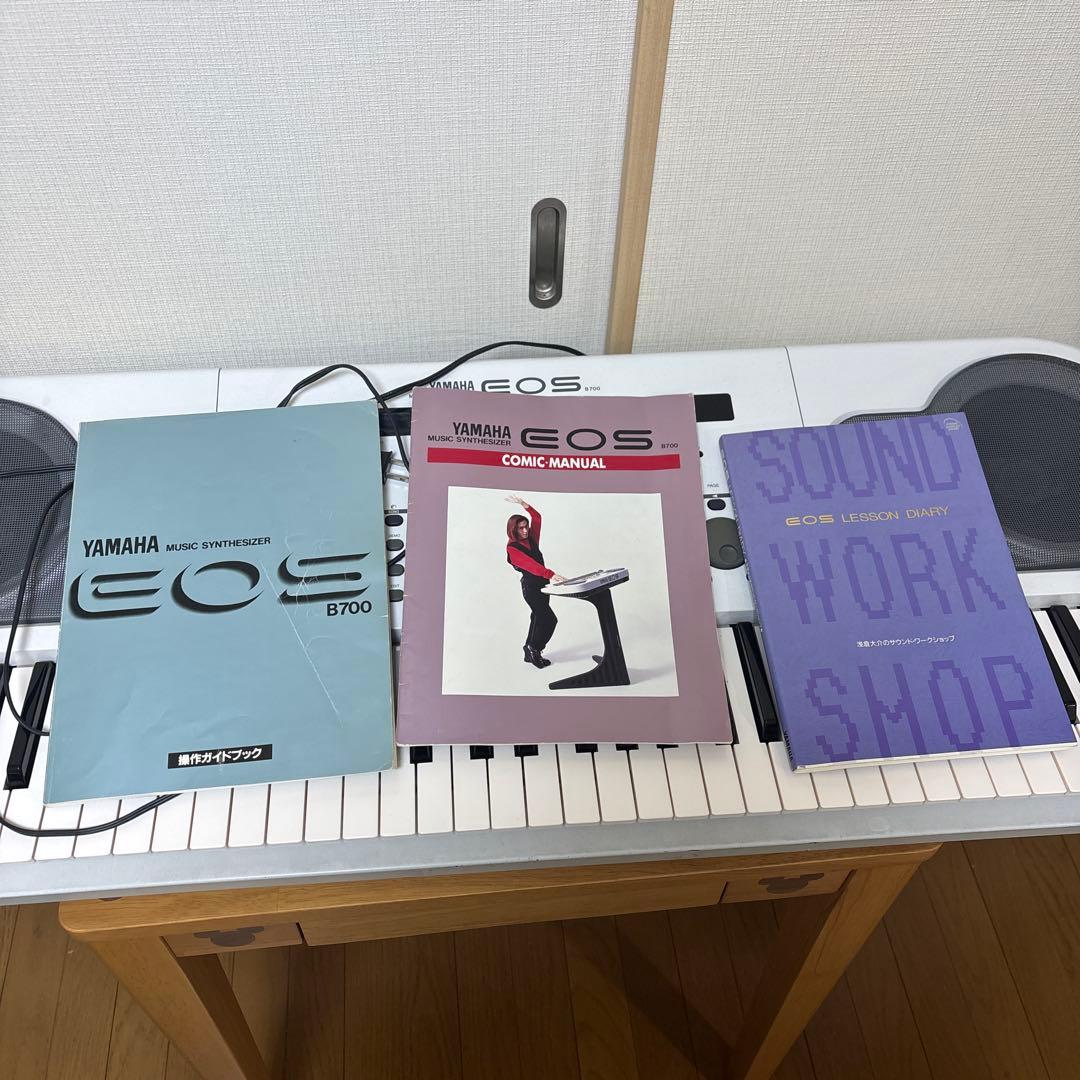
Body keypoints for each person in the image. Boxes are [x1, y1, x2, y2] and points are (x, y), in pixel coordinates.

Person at [505, 495, 567, 669]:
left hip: (543, 585)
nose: (525, 531)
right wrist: (550, 574)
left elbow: (537, 518)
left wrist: (523, 504)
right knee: (549, 620)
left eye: (526, 527)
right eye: (521, 528)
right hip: (531, 588)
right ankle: (535, 649)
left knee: (537, 617)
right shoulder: (512, 548)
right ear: (513, 530)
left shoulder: (531, 538)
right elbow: (531, 565)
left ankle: (528, 649)